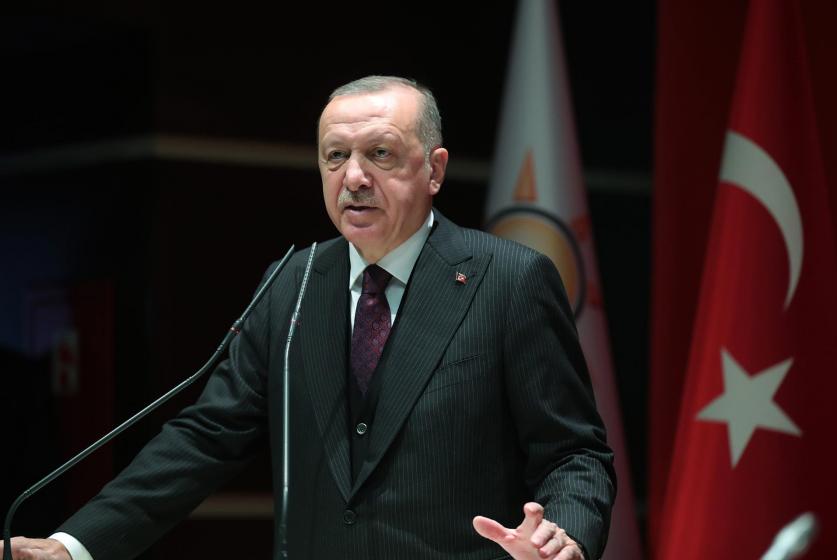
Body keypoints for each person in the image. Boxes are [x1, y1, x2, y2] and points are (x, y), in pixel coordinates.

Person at [2, 76, 615, 560]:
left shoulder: (508, 280)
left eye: (379, 154)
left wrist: (564, 538)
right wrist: (74, 546)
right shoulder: (292, 282)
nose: (353, 178)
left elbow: (573, 452)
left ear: (434, 170)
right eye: (334, 156)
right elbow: (206, 436)